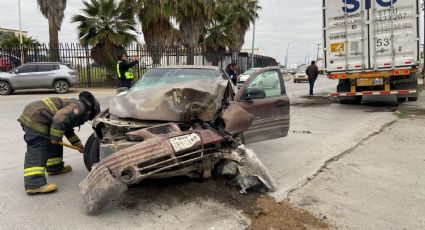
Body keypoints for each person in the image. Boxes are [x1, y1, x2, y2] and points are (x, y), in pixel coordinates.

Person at [18, 91, 101, 195]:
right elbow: (59, 120)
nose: (87, 119)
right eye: (90, 117)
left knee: (55, 142)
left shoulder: (76, 106)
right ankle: (34, 184)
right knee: (38, 147)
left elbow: (66, 128)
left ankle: (54, 167)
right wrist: (55, 137)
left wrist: (77, 144)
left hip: (37, 115)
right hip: (37, 118)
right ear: (90, 111)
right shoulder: (78, 108)